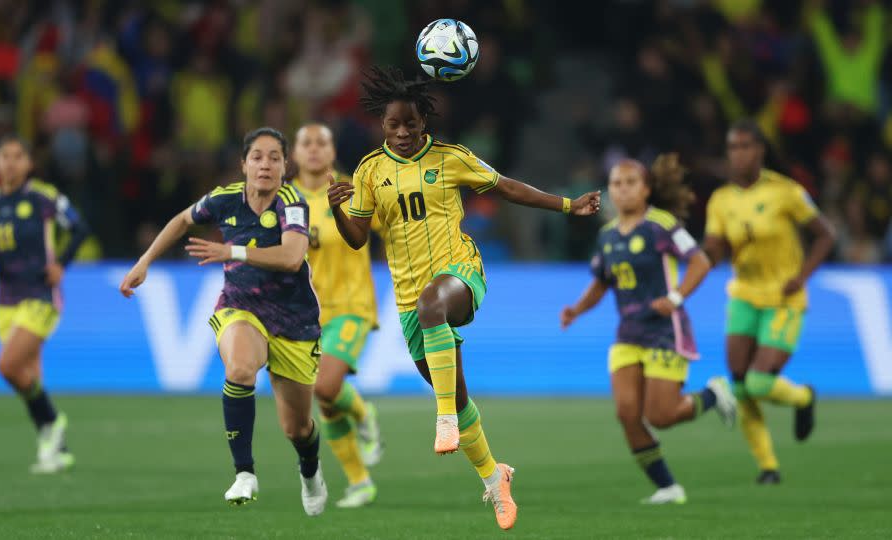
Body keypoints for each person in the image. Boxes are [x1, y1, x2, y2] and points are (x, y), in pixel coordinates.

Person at [327, 66, 602, 530]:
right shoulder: (370, 170)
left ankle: (442, 421)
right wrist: (337, 207)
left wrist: (566, 204)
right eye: (393, 126)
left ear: (423, 124)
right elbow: (356, 238)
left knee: (434, 304)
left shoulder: (452, 158)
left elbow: (508, 187)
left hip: (459, 274)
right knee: (457, 394)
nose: (402, 133)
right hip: (407, 297)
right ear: (382, 126)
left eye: (410, 125)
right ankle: (495, 478)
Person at [119, 127, 328, 515]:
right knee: (240, 367)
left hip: (294, 319)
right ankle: (244, 472)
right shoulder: (224, 199)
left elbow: (292, 258)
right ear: (244, 164)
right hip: (240, 305)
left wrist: (233, 250)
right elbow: (183, 220)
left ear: (285, 166)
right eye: (258, 157)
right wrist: (145, 261)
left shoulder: (292, 203)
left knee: (297, 428)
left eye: (274, 158)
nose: (265, 164)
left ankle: (311, 470)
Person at [559, 154, 737, 504]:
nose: (622, 191)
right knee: (627, 414)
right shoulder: (607, 235)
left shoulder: (662, 225)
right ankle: (668, 487)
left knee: (661, 416)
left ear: (646, 189)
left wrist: (675, 296)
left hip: (665, 331)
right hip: (628, 334)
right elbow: (601, 283)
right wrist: (576, 310)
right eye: (616, 184)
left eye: (630, 183)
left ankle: (713, 395)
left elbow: (700, 261)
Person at [703, 120, 835, 484]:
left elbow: (826, 235)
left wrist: (802, 276)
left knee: (760, 384)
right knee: (742, 385)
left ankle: (804, 398)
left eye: (745, 146)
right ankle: (768, 466)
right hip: (743, 295)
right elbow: (713, 247)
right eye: (732, 147)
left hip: (783, 298)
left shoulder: (785, 191)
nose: (738, 154)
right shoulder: (721, 200)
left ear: (760, 150)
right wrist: (699, 253)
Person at [0, 136, 88, 473]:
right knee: (27, 375)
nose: (10, 162)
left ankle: (53, 421)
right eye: (4, 156)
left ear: (28, 163)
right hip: (5, 300)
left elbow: (79, 228)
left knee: (7, 365)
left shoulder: (44, 197)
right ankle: (55, 447)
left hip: (40, 294)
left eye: (17, 156)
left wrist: (61, 265)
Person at [290, 123, 383, 508]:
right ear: (294, 154)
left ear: (332, 151)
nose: (313, 149)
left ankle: (364, 413)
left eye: (321, 143)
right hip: (304, 315)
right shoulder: (284, 200)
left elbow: (391, 226)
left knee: (325, 388)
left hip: (351, 306)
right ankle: (360, 482)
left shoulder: (352, 189)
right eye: (306, 143)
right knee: (326, 403)